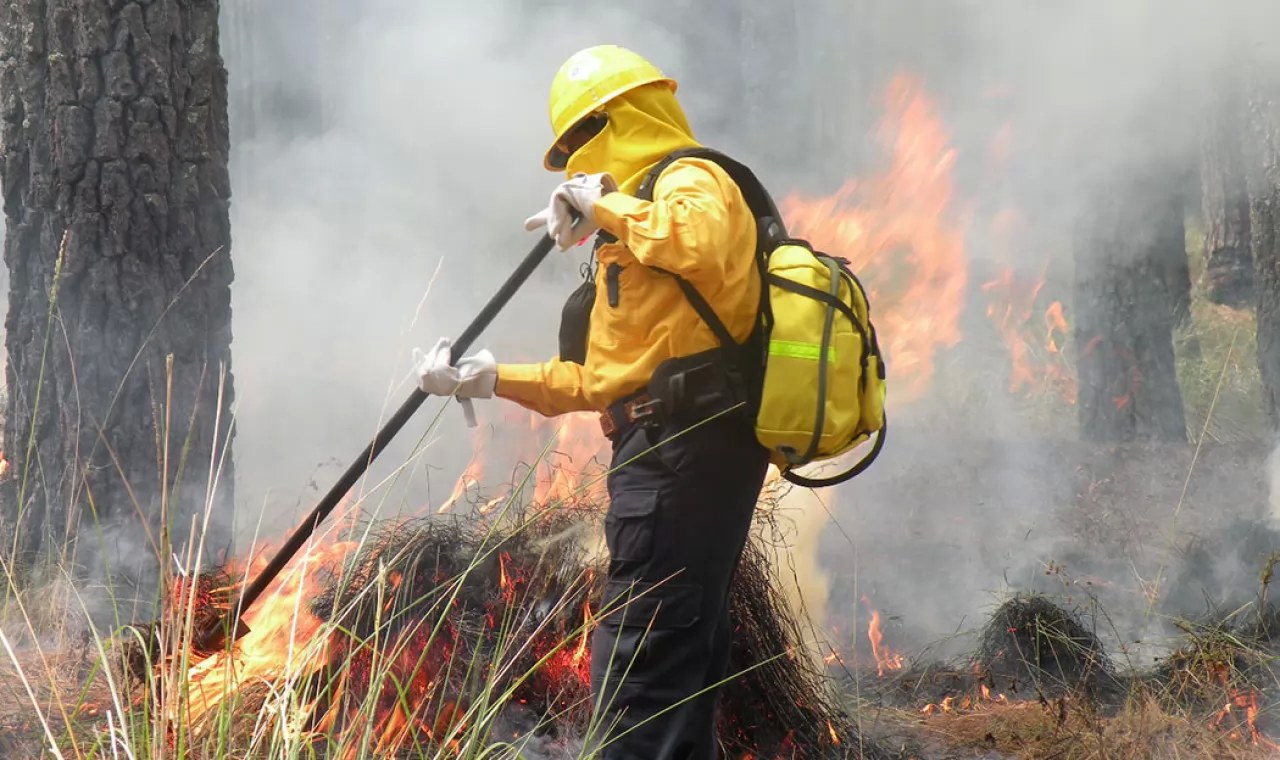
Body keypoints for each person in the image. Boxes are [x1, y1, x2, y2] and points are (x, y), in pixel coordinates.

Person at [415, 44, 769, 760]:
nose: (575, 161)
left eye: (581, 139)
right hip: (663, 453)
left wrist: (603, 203)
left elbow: (698, 241)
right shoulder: (628, 233)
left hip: (684, 456)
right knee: (669, 669)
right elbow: (601, 382)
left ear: (625, 115)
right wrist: (488, 377)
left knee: (638, 674)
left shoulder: (691, 179)